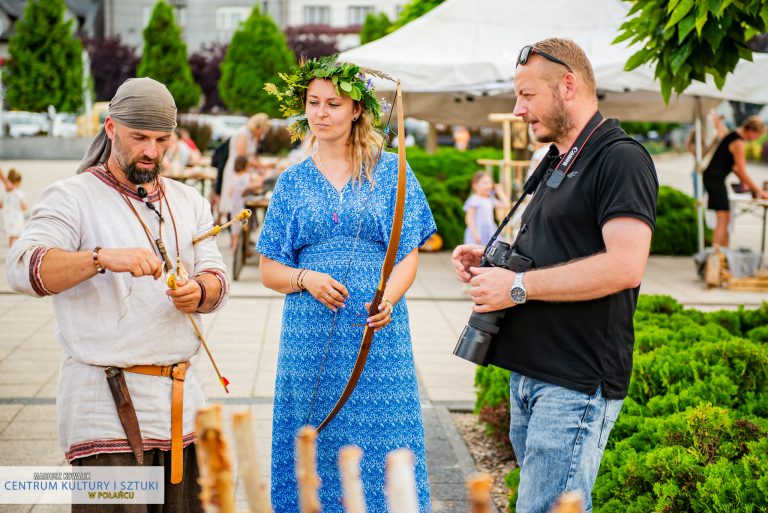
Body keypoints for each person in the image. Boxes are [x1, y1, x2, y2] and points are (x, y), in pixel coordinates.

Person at [451, 38, 658, 513]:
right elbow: (560, 246)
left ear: (569, 86)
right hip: (531, 373)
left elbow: (625, 266)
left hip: (575, 378)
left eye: (527, 95)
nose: (518, 109)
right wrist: (493, 257)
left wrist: (517, 287)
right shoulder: (556, 158)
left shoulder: (620, 158)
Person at [5, 77, 229, 513]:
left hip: (180, 407)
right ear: (110, 128)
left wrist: (199, 292)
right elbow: (21, 267)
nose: (151, 151)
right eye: (139, 137)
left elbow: (216, 276)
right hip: (103, 404)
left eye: (162, 139)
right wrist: (101, 257)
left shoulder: (189, 201)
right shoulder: (72, 197)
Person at [260, 57, 436, 512]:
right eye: (313, 103)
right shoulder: (291, 181)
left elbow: (408, 255)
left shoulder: (393, 171)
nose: (320, 113)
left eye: (333, 104)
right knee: (313, 448)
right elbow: (269, 269)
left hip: (376, 336)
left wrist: (389, 299)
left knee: (385, 447)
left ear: (356, 109)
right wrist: (305, 278)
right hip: (309, 339)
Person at [702, 115, 768, 247]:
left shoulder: (733, 135)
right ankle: (716, 256)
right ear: (751, 131)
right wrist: (759, 191)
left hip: (713, 178)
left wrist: (745, 183)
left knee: (725, 218)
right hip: (715, 180)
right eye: (757, 136)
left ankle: (725, 255)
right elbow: (742, 171)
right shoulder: (738, 142)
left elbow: (734, 168)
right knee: (723, 218)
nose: (755, 140)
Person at [218, 113, 272, 221]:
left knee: (246, 199)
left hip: (247, 170)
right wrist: (261, 165)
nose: (261, 135)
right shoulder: (242, 134)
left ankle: (244, 228)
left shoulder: (254, 136)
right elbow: (242, 157)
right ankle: (229, 226)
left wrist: (262, 167)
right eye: (261, 131)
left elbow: (254, 155)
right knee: (233, 200)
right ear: (257, 127)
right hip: (237, 168)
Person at [464, 170, 510, 245]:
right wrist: (475, 234)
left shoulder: (490, 199)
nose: (488, 186)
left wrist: (499, 192)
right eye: (485, 183)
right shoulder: (474, 199)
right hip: (478, 231)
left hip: (490, 231)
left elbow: (506, 205)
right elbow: (469, 218)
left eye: (490, 183)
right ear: (475, 185)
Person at [0, 168, 28, 246]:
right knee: (16, 238)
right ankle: (14, 253)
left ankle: (11, 252)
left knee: (11, 237)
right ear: (17, 182)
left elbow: (1, 205)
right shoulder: (19, 194)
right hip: (16, 219)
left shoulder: (5, 194)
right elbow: (24, 206)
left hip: (7, 220)